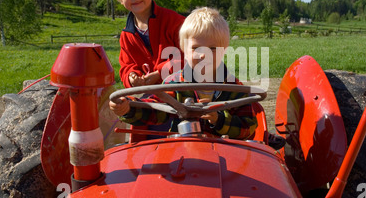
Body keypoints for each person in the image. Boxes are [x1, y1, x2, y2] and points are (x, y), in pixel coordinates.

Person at [109, 7, 259, 140]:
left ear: (224, 50)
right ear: (183, 50)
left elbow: (248, 128)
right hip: (182, 154)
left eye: (212, 48)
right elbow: (155, 110)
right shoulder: (174, 84)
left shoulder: (235, 88)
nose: (203, 55)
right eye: (195, 48)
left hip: (224, 158)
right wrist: (129, 107)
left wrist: (218, 119)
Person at [113, 0, 185, 88]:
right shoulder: (126, 35)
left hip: (179, 89)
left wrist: (160, 73)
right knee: (116, 104)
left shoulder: (174, 21)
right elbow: (126, 66)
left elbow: (189, 55)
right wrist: (131, 76)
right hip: (147, 94)